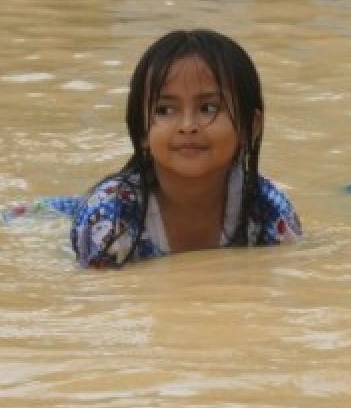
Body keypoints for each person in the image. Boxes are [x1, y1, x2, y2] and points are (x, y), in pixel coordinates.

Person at [71, 29, 301, 268]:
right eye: (165, 110)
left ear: (249, 128)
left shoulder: (268, 211)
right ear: (141, 131)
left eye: (208, 108)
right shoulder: (110, 218)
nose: (188, 126)